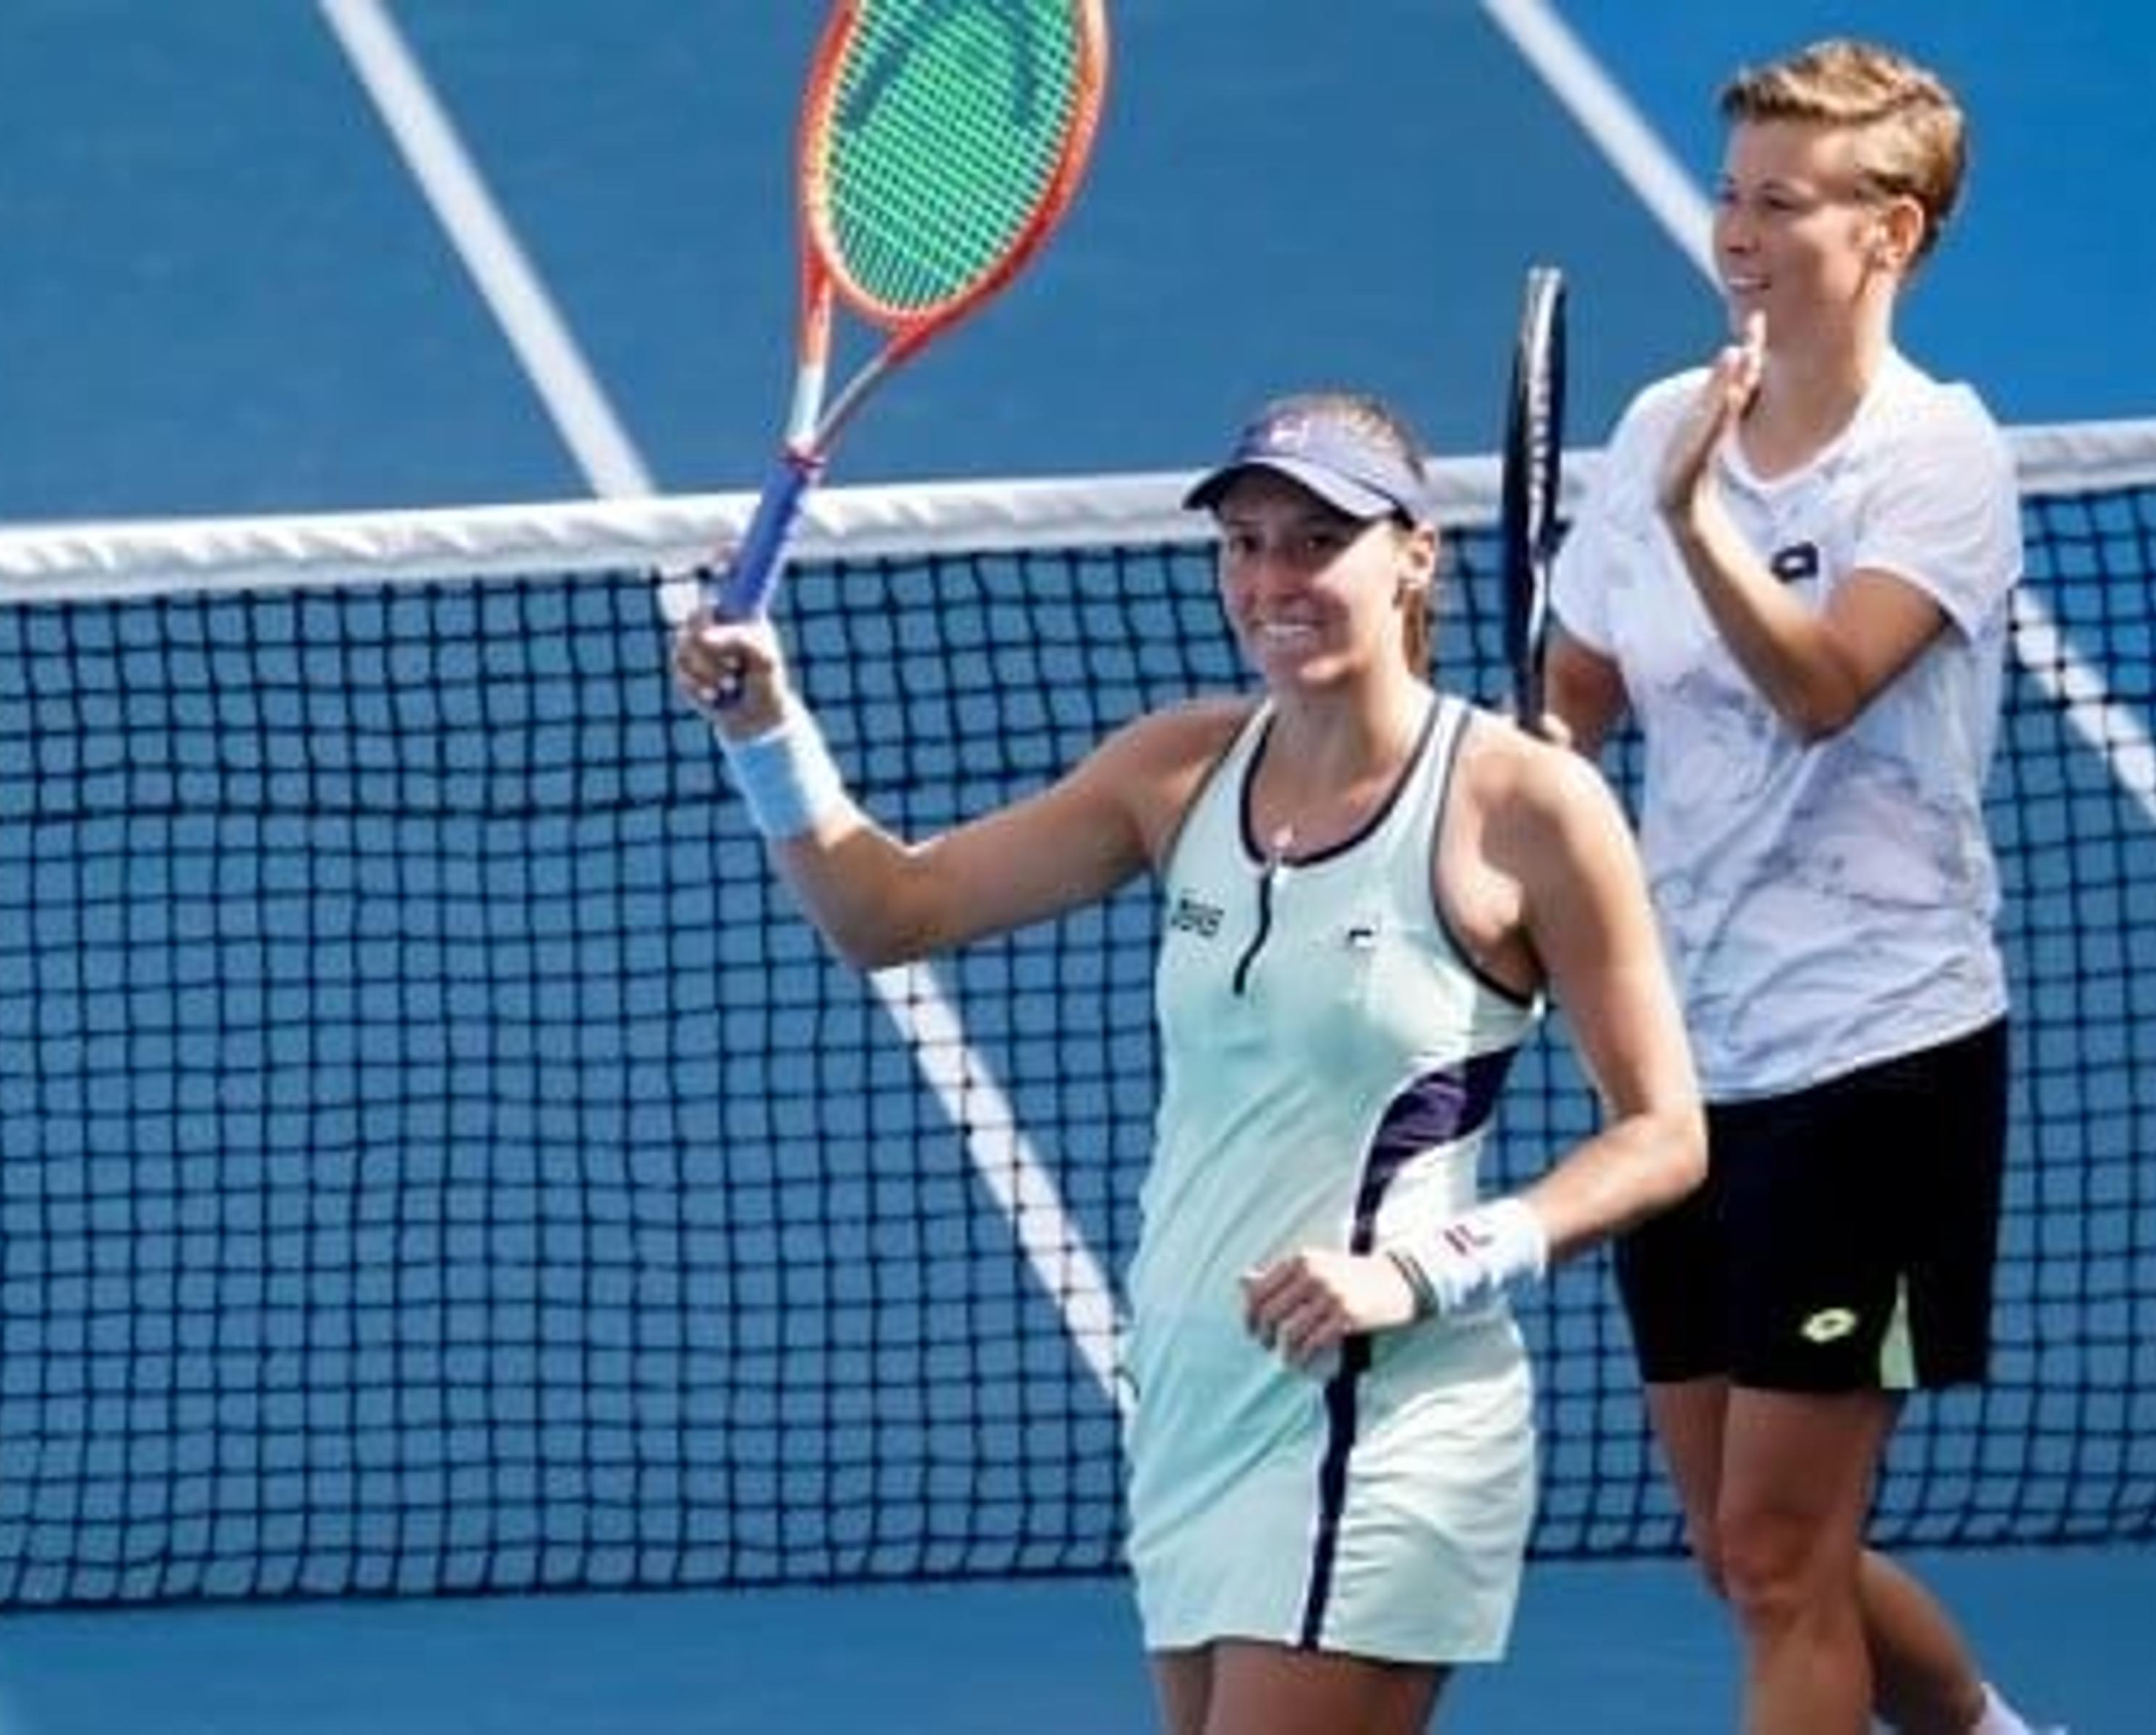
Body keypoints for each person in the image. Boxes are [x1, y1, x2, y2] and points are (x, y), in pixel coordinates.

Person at [674, 392, 1706, 1735]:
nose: (1273, 580)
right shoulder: (1176, 771)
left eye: (1316, 541)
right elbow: (893, 913)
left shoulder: (1526, 808)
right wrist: (768, 733)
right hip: (1195, 1399)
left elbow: (1665, 1134)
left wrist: (1424, 1269)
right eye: (1246, 543)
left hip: (1378, 1417)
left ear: (1413, 553)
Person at [1541, 38, 2045, 1735]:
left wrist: (1695, 520)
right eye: (1730, 194)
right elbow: (1578, 692)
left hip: (1879, 1067)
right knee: (1738, 1546)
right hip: (1679, 1075)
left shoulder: (1939, 459)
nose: (1737, 232)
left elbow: (1824, 686)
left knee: (1777, 1552)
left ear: (1889, 232)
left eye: (1782, 200)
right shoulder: (1652, 427)